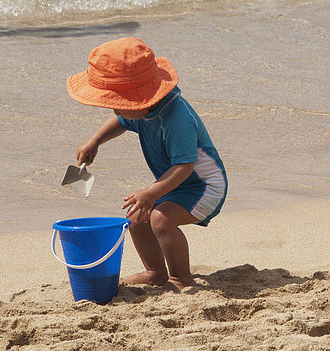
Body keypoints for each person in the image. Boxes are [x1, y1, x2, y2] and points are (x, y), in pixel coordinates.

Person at [66, 37, 227, 291]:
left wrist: (151, 192)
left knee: (161, 220)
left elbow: (185, 166)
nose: (115, 112)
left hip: (204, 187)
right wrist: (95, 140)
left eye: (117, 105)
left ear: (138, 101)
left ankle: (180, 278)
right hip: (176, 182)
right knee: (137, 219)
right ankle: (155, 272)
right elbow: (122, 121)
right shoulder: (143, 110)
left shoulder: (176, 119)